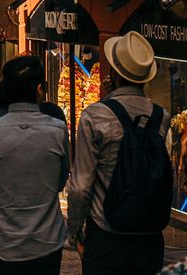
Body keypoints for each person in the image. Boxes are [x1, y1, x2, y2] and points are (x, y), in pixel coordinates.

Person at [67, 32, 170, 275]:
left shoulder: (95, 115)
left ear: (113, 73)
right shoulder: (161, 117)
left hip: (106, 235)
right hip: (150, 236)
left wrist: (74, 231)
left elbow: (82, 185)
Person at [0, 55, 69, 274]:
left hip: (1, 239)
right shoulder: (57, 130)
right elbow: (61, 181)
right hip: (47, 240)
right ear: (39, 89)